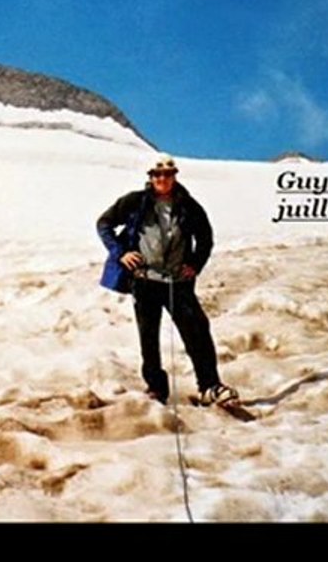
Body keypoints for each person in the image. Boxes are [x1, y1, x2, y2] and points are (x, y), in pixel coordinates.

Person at [96, 153, 237, 406]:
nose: (163, 178)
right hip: (144, 279)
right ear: (150, 177)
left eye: (168, 174)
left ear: (174, 176)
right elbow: (104, 224)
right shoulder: (135, 202)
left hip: (177, 282)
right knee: (148, 338)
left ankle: (210, 386)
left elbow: (205, 238)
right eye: (158, 174)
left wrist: (194, 264)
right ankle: (156, 389)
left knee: (197, 332)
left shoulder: (188, 206)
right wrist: (121, 254)